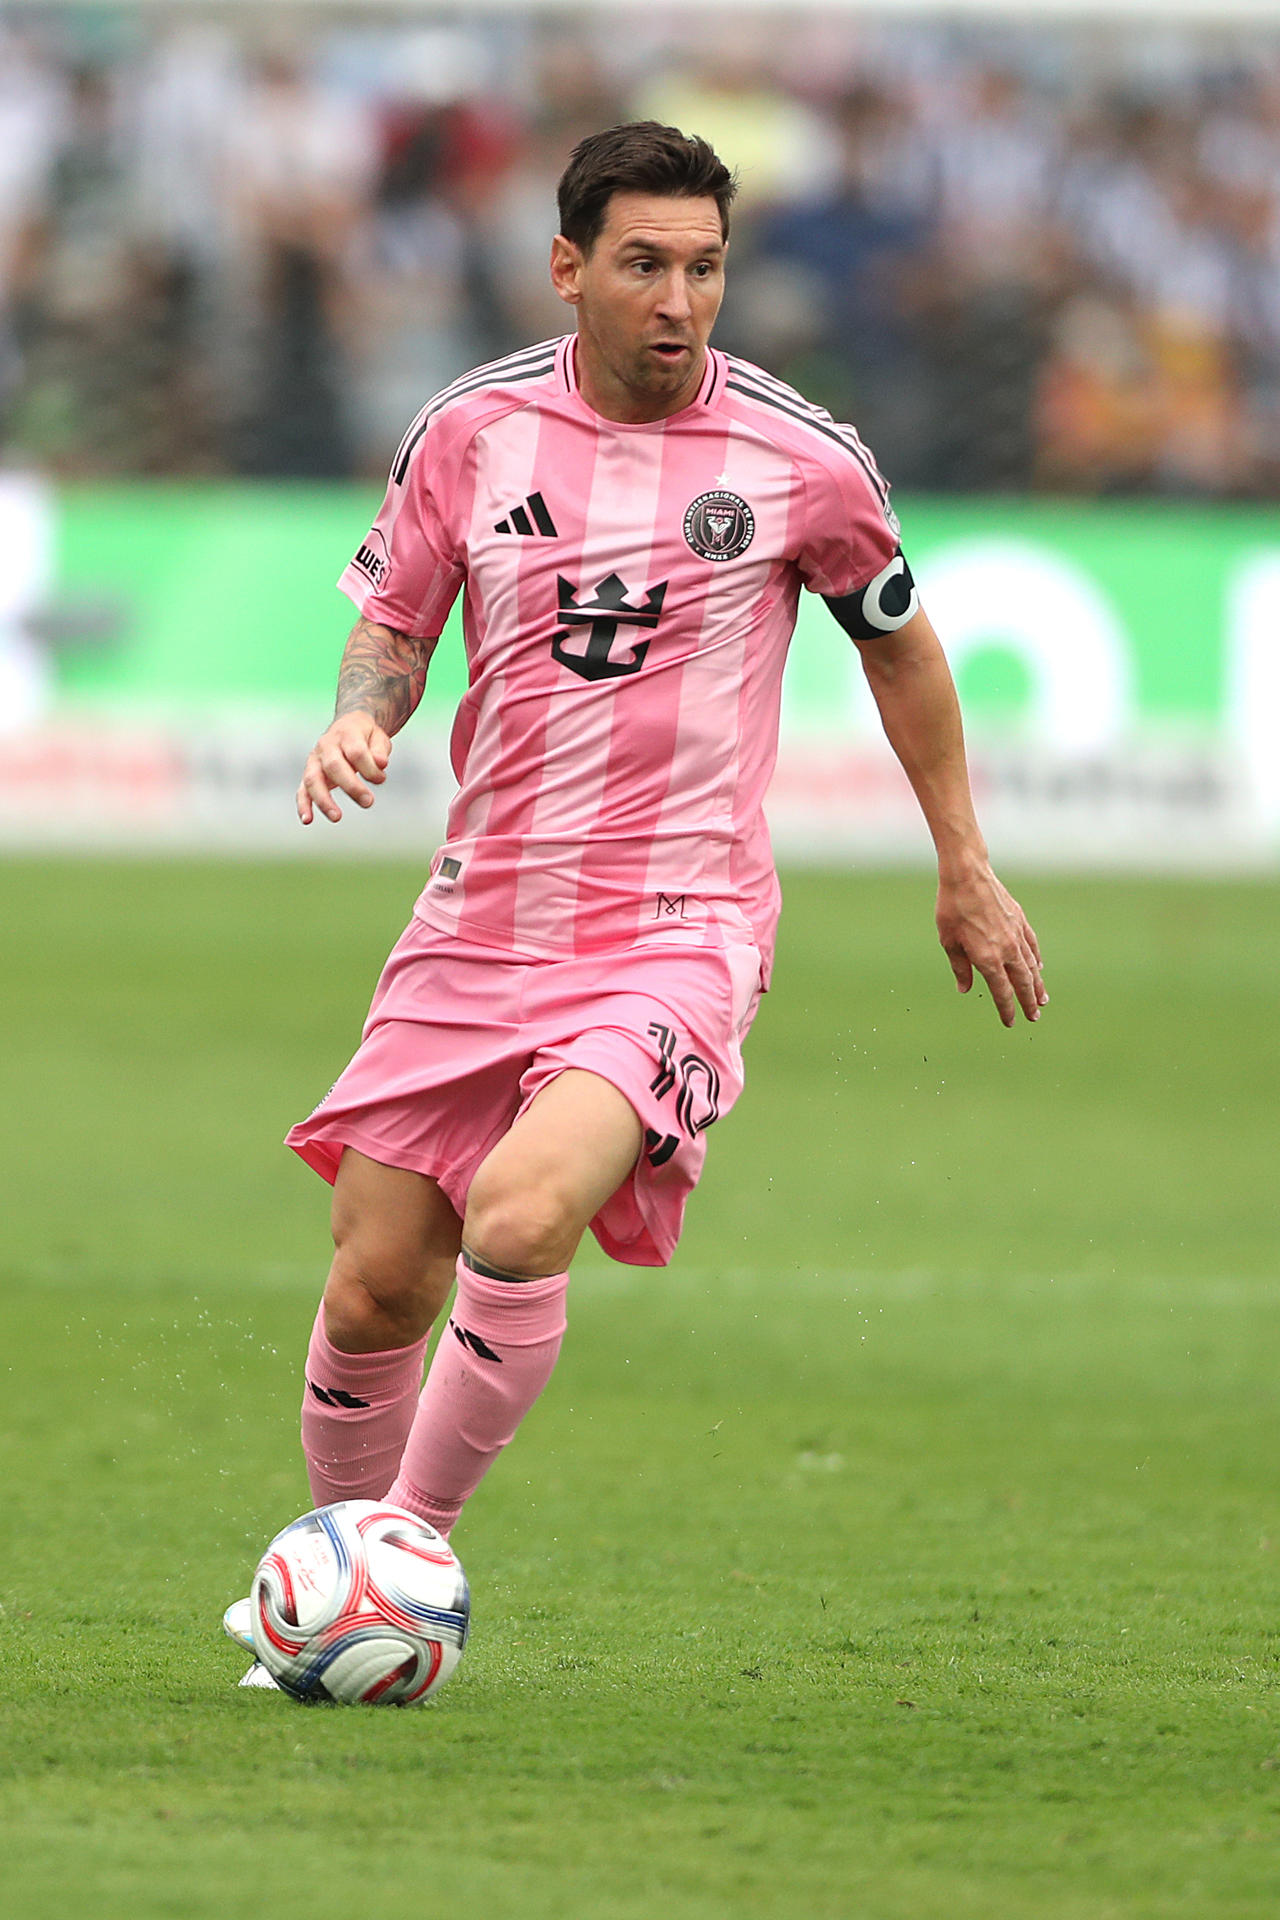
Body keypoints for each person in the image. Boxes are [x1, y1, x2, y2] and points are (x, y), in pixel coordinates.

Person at [225, 122, 1045, 1684]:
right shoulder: (468, 433)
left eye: (707, 268)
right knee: (377, 1269)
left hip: (679, 924)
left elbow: (901, 644)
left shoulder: (804, 459)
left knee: (524, 1217)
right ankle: (329, 1593)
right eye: (647, 265)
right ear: (570, 270)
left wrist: (964, 860)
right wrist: (363, 718)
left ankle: (400, 1561)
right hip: (482, 916)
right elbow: (395, 623)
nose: (681, 300)